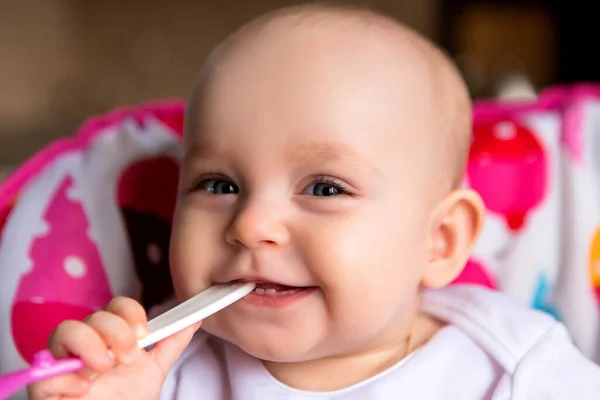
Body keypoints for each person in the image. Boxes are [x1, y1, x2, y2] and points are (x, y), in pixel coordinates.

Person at [28, 3, 600, 399]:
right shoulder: (154, 370)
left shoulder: (516, 368)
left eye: (325, 188)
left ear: (440, 240)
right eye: (219, 184)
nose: (250, 225)